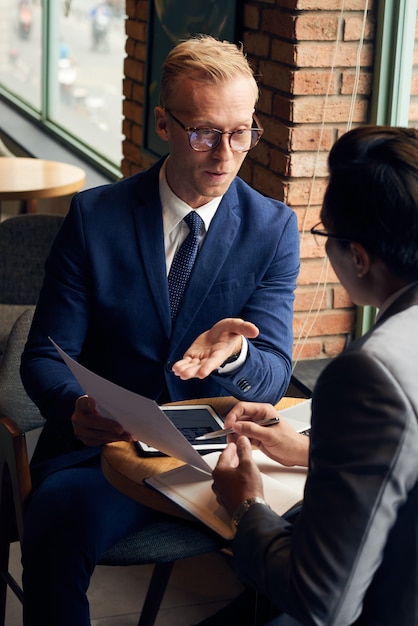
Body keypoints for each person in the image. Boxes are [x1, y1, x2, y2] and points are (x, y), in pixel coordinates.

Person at [20, 35, 300, 625]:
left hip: (216, 458)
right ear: (163, 124)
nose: (224, 155)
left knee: (312, 555)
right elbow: (45, 357)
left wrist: (234, 357)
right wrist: (77, 407)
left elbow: (273, 374)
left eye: (241, 132)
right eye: (204, 132)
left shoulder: (273, 228)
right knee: (54, 520)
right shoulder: (94, 217)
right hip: (107, 456)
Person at [209, 125, 418, 626]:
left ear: (360, 256)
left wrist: (246, 507)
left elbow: (323, 601)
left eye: (324, 234)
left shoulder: (371, 373)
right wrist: (313, 452)